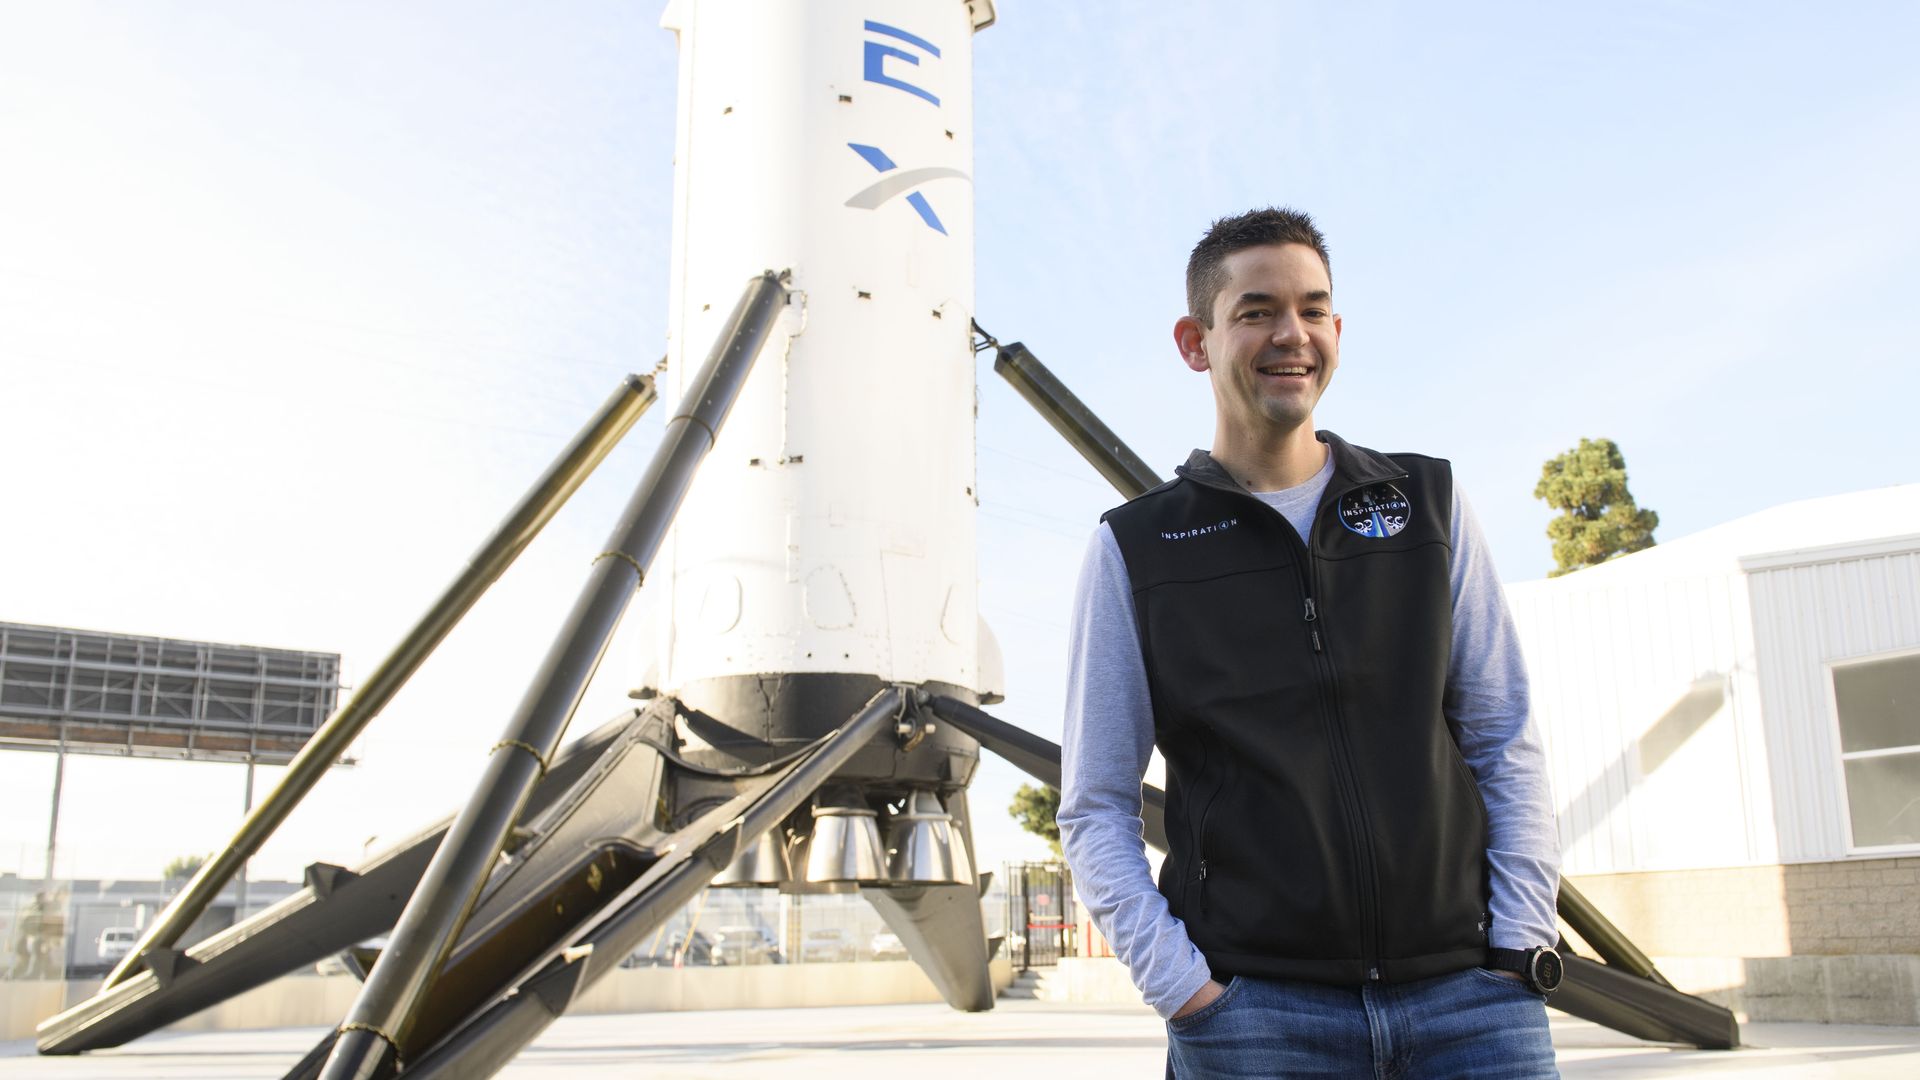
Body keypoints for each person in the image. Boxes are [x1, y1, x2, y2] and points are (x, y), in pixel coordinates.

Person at [1058, 207, 1563, 1078]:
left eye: (1314, 309)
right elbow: (1096, 806)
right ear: (1195, 341)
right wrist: (1187, 992)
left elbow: (1503, 738)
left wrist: (1519, 947)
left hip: (1472, 1005)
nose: (1292, 334)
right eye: (1256, 311)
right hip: (1257, 1019)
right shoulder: (1135, 550)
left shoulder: (1426, 506)